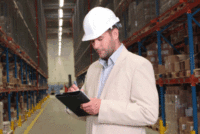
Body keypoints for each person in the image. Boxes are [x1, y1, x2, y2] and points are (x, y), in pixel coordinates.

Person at [66, 7, 159, 134]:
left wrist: (102, 107)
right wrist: (75, 101)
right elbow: (89, 113)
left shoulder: (138, 65)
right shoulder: (93, 69)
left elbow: (149, 113)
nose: (96, 46)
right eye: (92, 41)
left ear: (115, 34)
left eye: (100, 39)